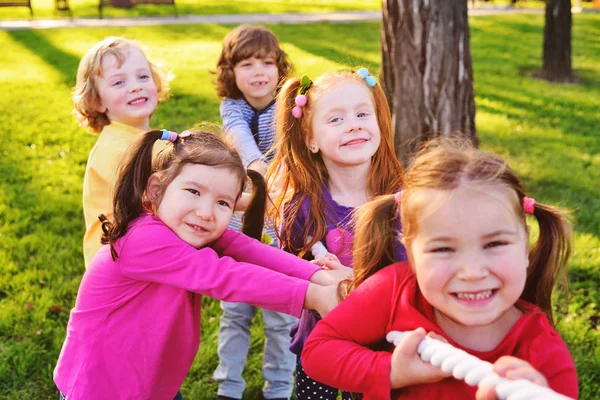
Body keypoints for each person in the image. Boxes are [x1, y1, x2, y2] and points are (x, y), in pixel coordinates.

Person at [53, 128, 346, 400]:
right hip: (102, 385)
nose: (206, 212)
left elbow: (250, 250)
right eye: (194, 192)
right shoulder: (143, 239)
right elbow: (225, 276)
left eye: (223, 203)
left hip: (149, 381)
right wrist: (315, 297)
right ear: (155, 189)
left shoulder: (182, 226)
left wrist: (320, 278)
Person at [301, 138, 579, 400]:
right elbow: (318, 351)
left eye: (494, 244)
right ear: (411, 251)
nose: (471, 272)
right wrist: (392, 372)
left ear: (524, 245)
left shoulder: (545, 361)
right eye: (443, 249)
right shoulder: (396, 290)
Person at [267, 68, 407, 400]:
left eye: (362, 113)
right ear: (310, 140)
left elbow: (412, 275)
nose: (354, 124)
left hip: (382, 345)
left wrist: (355, 279)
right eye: (336, 119)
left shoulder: (403, 202)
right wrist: (314, 271)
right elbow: (290, 272)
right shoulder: (303, 208)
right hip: (321, 342)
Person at [212, 24, 297, 400]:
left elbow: (288, 142)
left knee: (282, 319)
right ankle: (228, 387)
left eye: (267, 62)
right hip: (240, 225)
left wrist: (268, 168)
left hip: (281, 226)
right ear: (231, 73)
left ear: (280, 68)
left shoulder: (290, 108)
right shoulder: (232, 106)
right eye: (246, 64)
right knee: (235, 312)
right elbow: (238, 132)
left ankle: (278, 389)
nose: (258, 72)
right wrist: (256, 164)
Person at [72, 36, 171, 267]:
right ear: (97, 101)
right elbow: (163, 196)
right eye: (119, 82)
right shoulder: (115, 148)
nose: (135, 86)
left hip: (145, 253)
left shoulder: (150, 140)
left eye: (143, 76)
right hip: (117, 268)